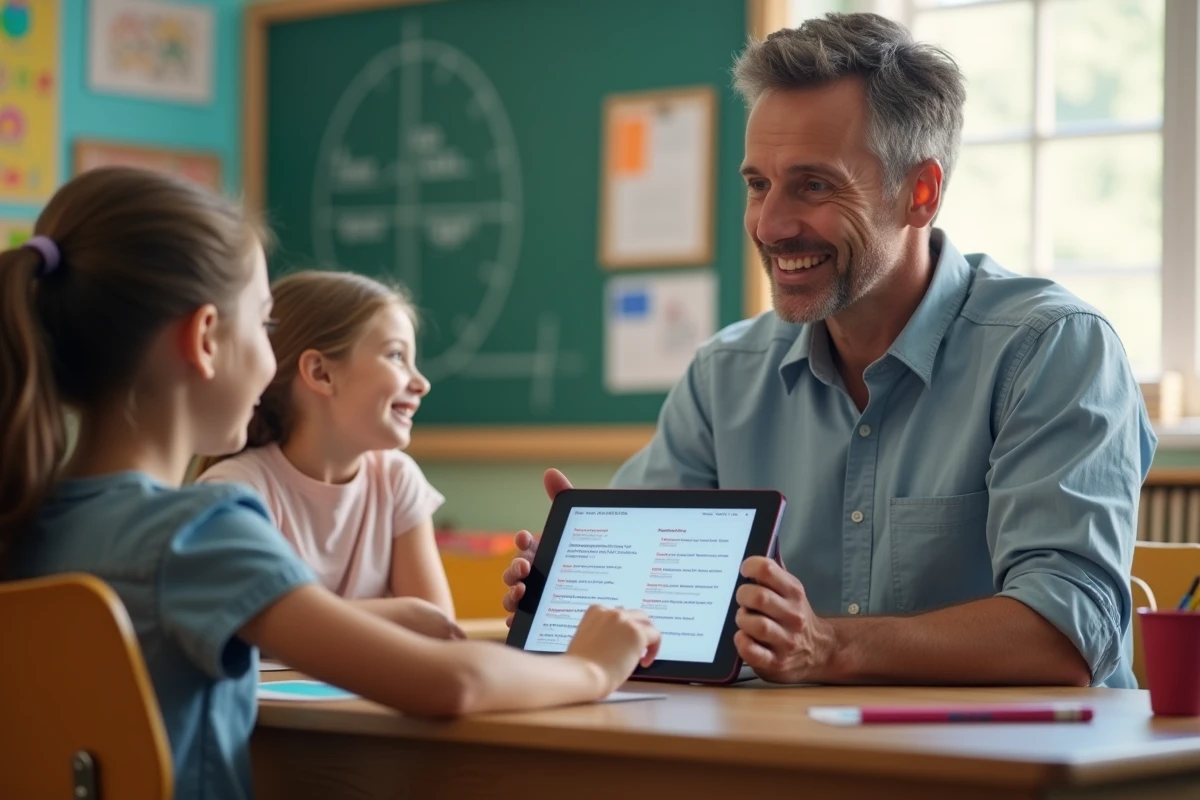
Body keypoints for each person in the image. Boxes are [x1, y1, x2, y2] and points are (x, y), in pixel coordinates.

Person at [503, 13, 1154, 689]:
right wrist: (581, 584)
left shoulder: (1051, 351)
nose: (771, 224)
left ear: (920, 192)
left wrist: (828, 646)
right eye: (758, 184)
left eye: (814, 185)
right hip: (794, 761)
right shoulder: (724, 376)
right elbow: (653, 624)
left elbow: (1066, 638)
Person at [0, 167, 660, 800]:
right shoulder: (199, 530)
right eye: (263, 325)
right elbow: (448, 685)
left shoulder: (22, 519)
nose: (270, 355)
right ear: (205, 339)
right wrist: (590, 668)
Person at [196, 271, 458, 640]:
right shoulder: (237, 491)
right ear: (321, 373)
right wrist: (396, 614)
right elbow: (248, 627)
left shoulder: (398, 480)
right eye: (397, 356)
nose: (421, 383)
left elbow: (436, 626)